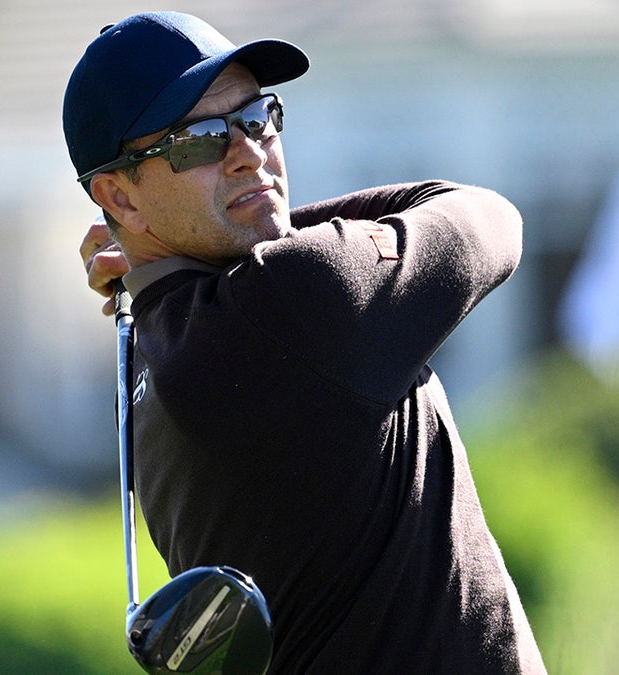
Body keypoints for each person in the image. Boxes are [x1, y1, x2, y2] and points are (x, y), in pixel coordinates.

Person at [64, 11, 545, 674]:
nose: (248, 151)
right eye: (200, 139)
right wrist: (283, 231)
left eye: (256, 117)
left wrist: (146, 264)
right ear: (118, 196)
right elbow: (485, 217)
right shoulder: (295, 301)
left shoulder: (141, 346)